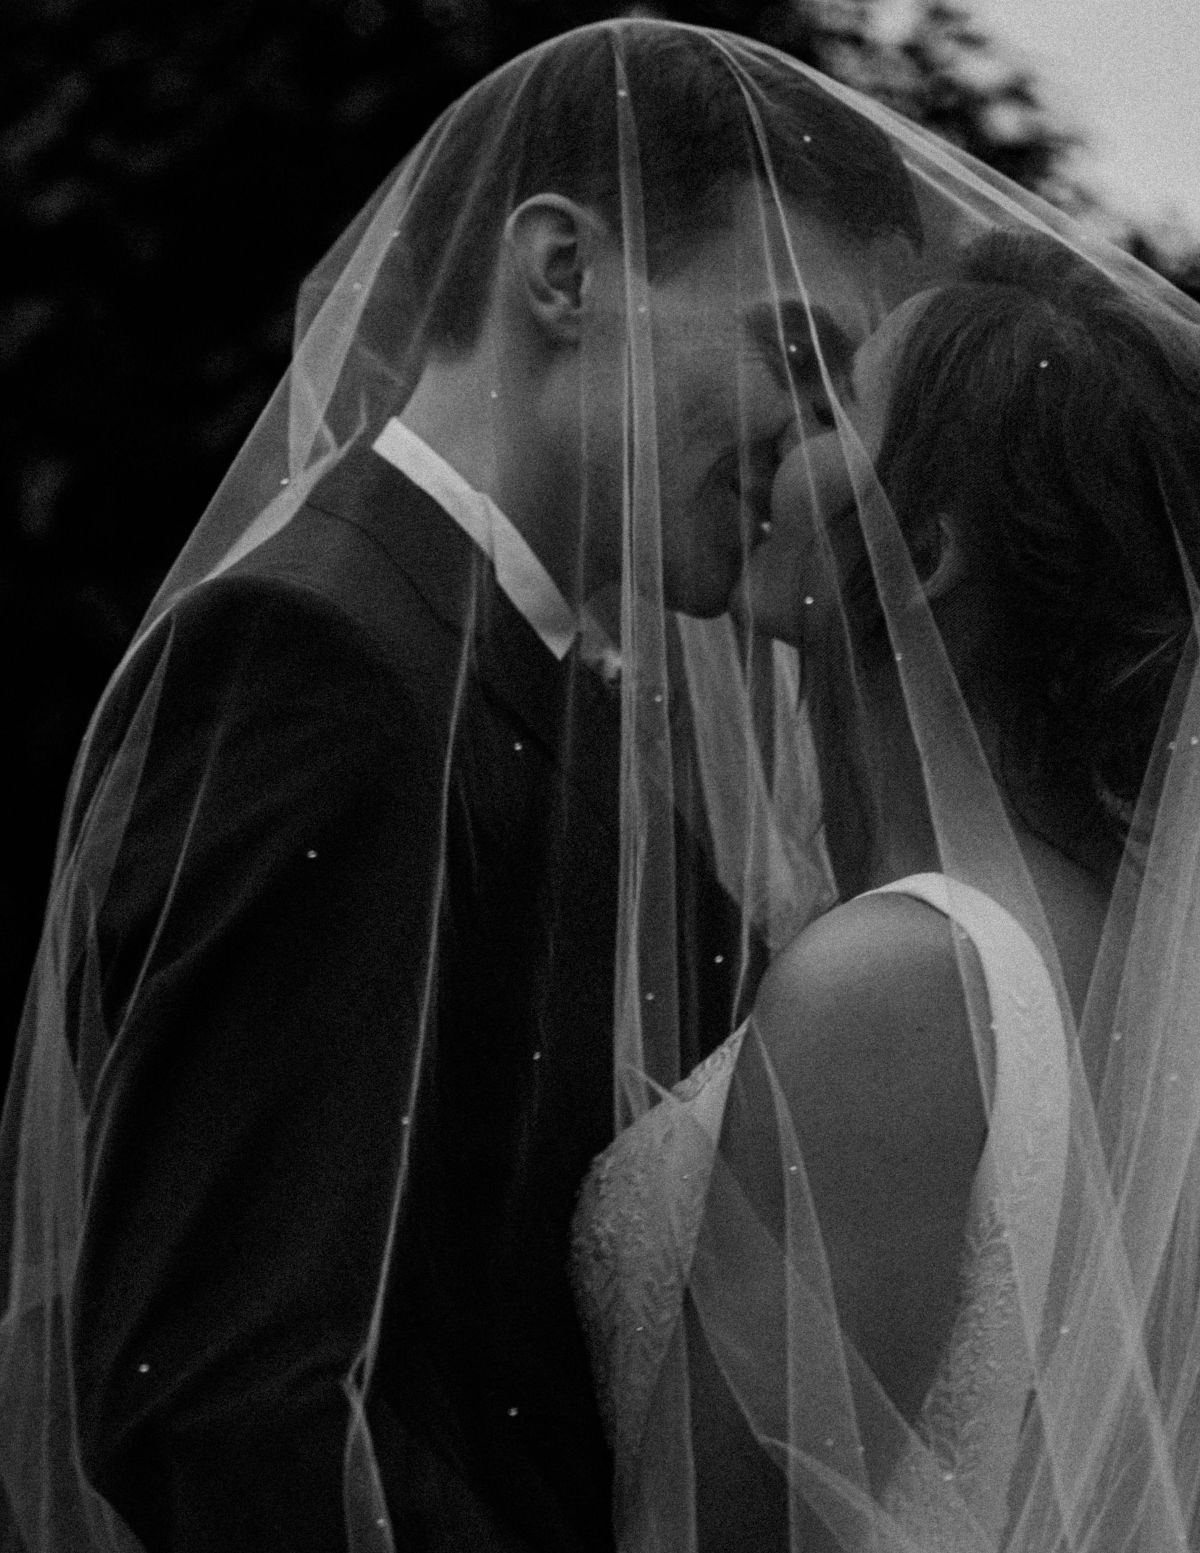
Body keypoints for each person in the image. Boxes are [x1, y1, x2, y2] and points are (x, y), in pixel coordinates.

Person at [0, 23, 923, 1553]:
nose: (815, 439)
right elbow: (241, 1396)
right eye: (793, 352)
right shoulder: (317, 662)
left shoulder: (537, 678)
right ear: (560, 272)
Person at [572, 229, 1200, 1550]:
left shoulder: (899, 982)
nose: (779, 430)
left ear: (926, 551)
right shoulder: (1108, 938)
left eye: (836, 407)